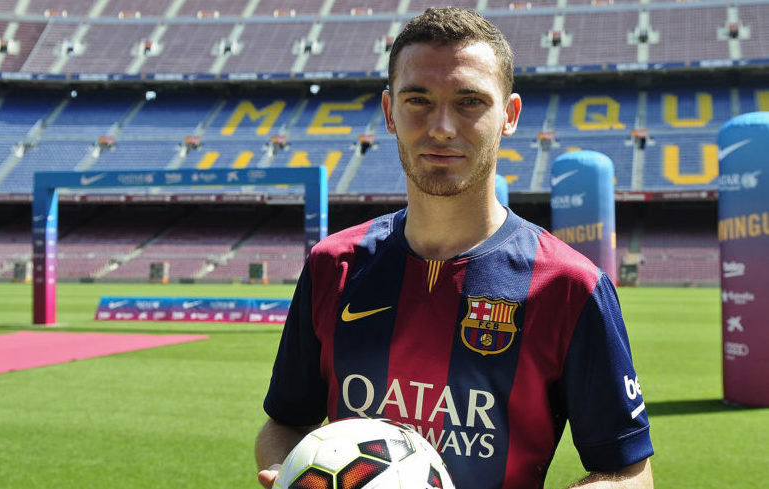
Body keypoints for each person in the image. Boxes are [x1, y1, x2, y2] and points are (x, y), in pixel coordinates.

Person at [255, 7, 653, 489]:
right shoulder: (332, 265)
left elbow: (629, 473)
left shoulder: (570, 286)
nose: (442, 126)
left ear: (509, 116)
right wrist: (288, 472)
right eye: (418, 100)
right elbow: (285, 424)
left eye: (469, 102)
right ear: (389, 112)